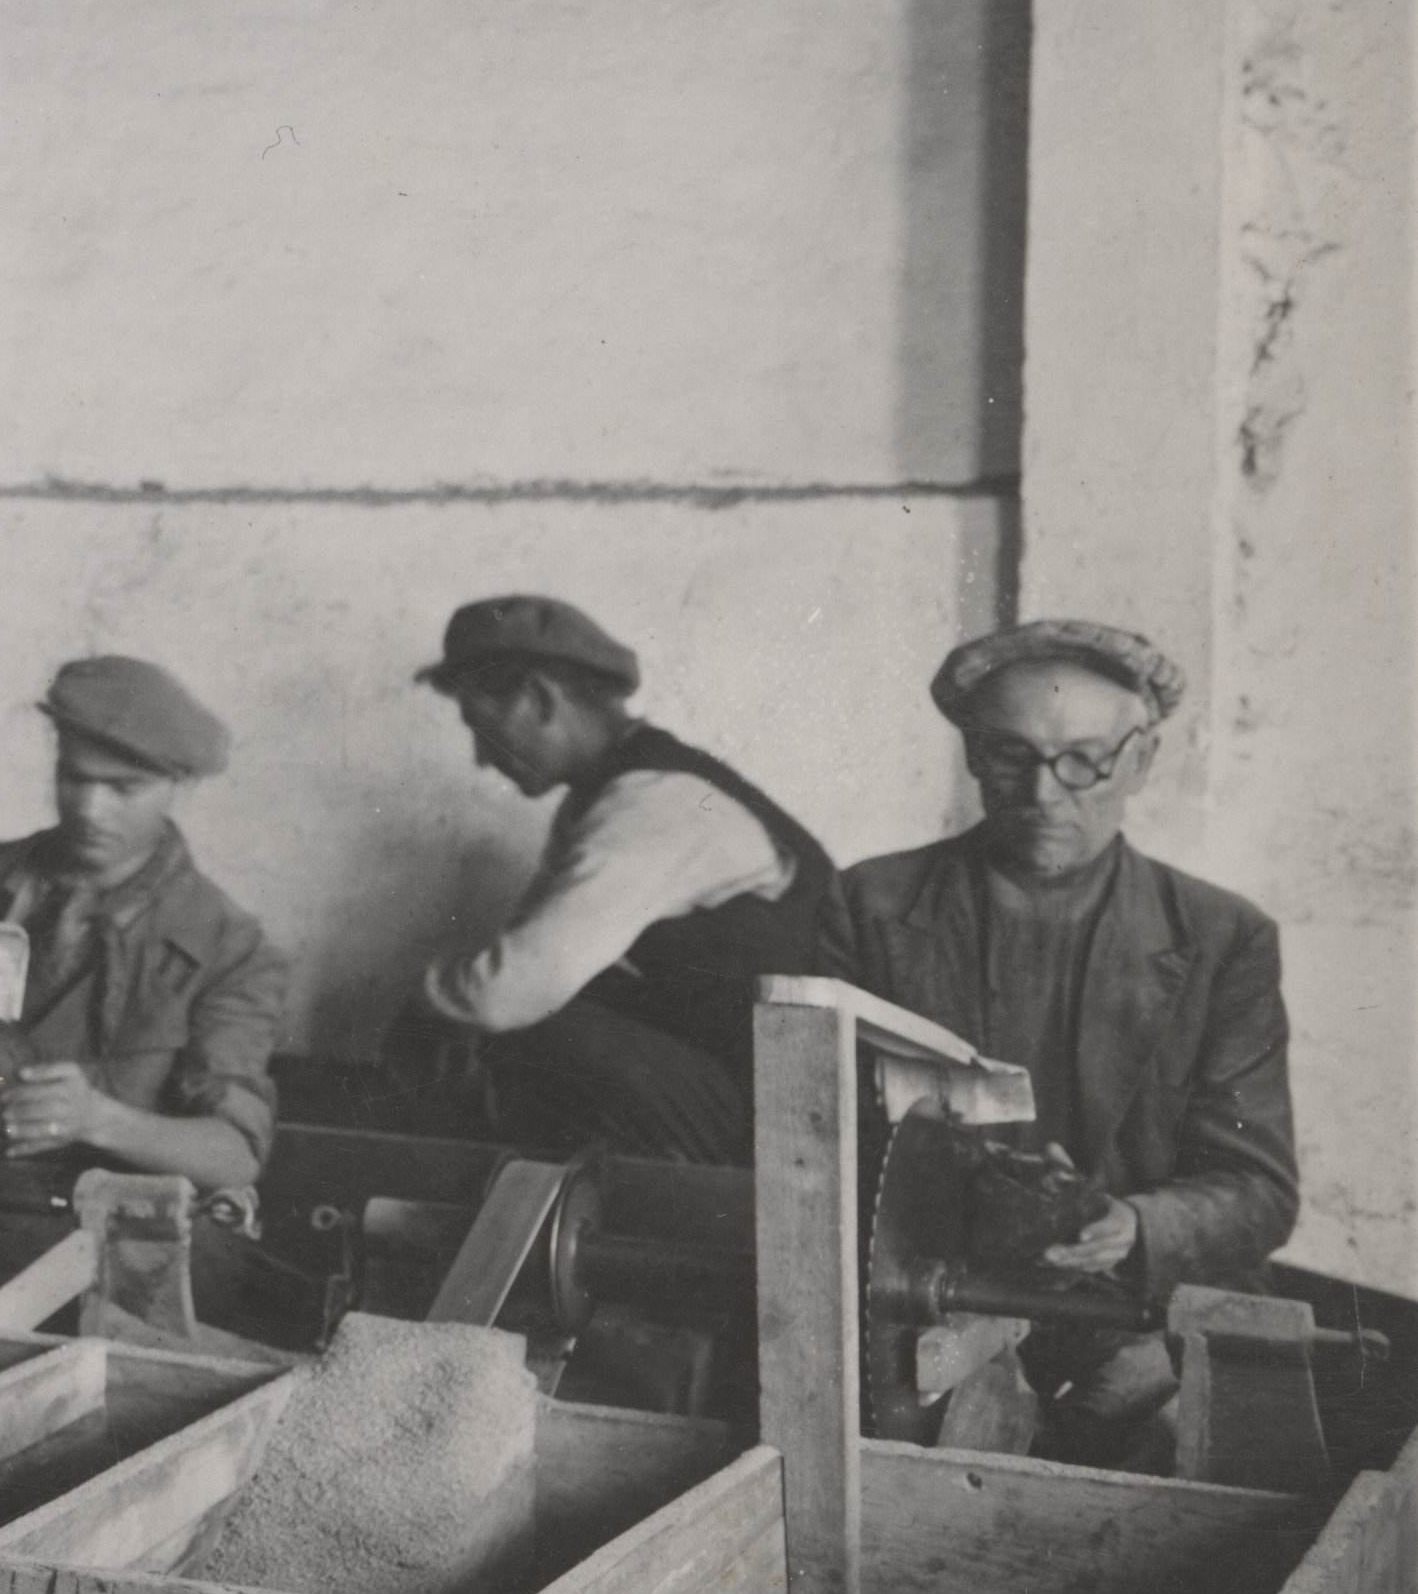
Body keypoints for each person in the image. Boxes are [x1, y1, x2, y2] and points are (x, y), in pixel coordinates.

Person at [825, 623, 1293, 1454]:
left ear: (1142, 760)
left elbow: (1260, 1188)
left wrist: (1137, 1222)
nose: (1045, 793)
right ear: (972, 755)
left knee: (1177, 1461)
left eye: (1084, 758)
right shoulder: (872, 906)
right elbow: (821, 1143)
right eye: (1011, 755)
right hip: (933, 1297)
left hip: (1137, 1304)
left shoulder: (1223, 936)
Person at [406, 595, 836, 1164]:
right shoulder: (611, 797)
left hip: (796, 1116)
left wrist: (422, 1004)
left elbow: (509, 993)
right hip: (750, 1082)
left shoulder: (653, 804)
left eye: (484, 728)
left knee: (518, 1028)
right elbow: (520, 957)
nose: (483, 759)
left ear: (540, 697)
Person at [0, 656, 291, 1201]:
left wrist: (98, 1120)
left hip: (98, 1227)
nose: (89, 808)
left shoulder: (229, 948)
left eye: (123, 788)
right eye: (74, 777)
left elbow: (235, 1154)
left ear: (174, 785)